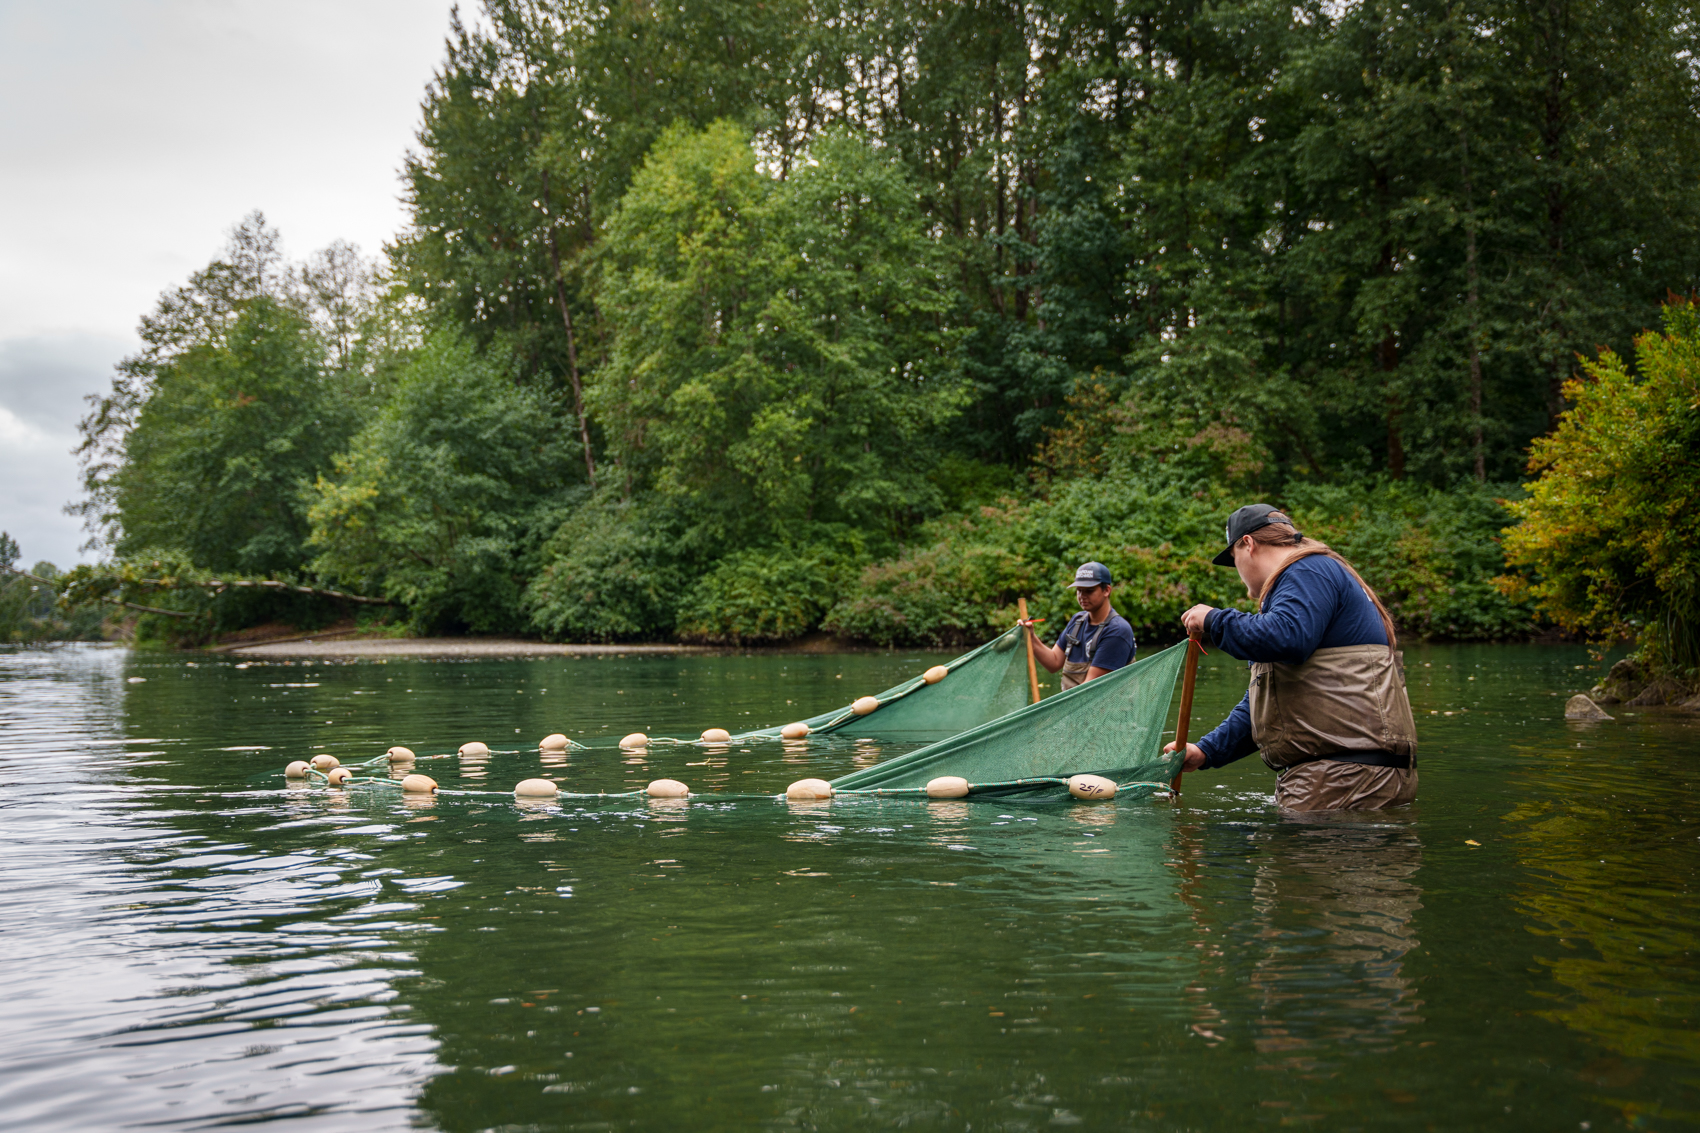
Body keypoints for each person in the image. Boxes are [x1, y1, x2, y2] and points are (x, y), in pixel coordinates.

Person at [1164, 504, 1418, 811]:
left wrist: (1214, 620)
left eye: (1234, 560)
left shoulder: (1307, 570)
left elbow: (1287, 638)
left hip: (1341, 779)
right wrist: (1207, 751)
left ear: (1248, 544)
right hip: (1348, 777)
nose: (1238, 573)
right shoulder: (1312, 575)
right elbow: (1268, 705)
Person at [1022, 562, 1136, 690]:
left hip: (1103, 707)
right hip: (1075, 704)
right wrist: (1031, 636)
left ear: (1106, 591)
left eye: (1089, 590)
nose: (1082, 596)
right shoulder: (1077, 621)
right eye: (1079, 590)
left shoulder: (1117, 631)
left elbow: (1089, 689)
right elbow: (1053, 662)